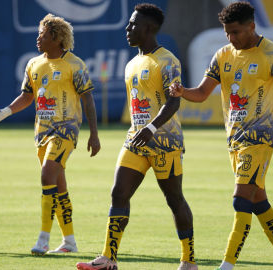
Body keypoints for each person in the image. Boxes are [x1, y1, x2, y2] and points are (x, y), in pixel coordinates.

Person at [169, 2, 273, 270]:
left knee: (240, 199)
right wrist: (181, 91)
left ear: (251, 26)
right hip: (235, 143)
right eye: (227, 34)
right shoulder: (222, 55)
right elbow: (200, 93)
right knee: (259, 202)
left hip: (260, 140)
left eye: (235, 32)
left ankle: (227, 266)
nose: (231, 39)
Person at [77, 3, 197, 270]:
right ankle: (108, 258)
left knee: (174, 199)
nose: (127, 29)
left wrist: (151, 128)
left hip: (165, 142)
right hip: (136, 140)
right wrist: (141, 130)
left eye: (133, 25)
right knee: (118, 193)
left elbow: (173, 102)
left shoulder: (168, 60)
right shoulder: (132, 63)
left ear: (148, 28)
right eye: (129, 24)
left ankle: (189, 261)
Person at [0, 13, 100, 255]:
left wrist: (94, 134)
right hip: (42, 133)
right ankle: (69, 242)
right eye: (39, 33)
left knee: (47, 175)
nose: (38, 38)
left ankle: (43, 239)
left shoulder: (75, 64)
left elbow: (87, 100)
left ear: (57, 39)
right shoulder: (33, 64)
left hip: (66, 129)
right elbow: (28, 96)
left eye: (43, 35)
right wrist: (3, 113)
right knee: (58, 186)